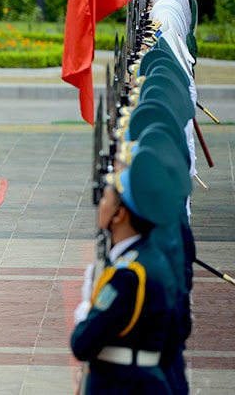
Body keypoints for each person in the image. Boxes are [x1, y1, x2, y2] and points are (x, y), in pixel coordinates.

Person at [71, 138, 190, 394]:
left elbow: (82, 343)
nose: (100, 204)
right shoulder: (154, 258)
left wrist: (85, 309)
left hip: (123, 385)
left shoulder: (127, 275)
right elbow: (173, 341)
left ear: (120, 214)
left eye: (106, 199)